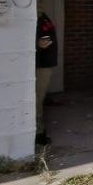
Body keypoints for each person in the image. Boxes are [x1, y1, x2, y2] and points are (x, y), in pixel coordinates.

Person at [35, 10, 57, 146]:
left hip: (45, 64)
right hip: (39, 64)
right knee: (36, 98)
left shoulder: (43, 17)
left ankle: (39, 130)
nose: (41, 5)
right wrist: (37, 44)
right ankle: (38, 133)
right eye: (38, 2)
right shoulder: (32, 19)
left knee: (40, 96)